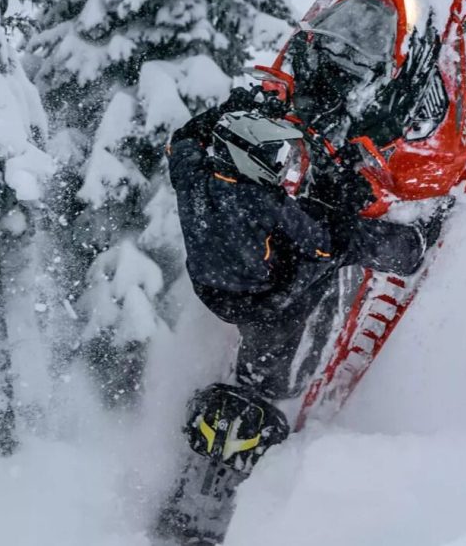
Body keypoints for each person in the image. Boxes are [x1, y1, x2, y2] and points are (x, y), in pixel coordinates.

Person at [167, 25, 444, 402]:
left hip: (210, 285)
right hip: (259, 298)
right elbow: (324, 244)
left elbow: (183, 139)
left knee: (310, 229)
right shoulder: (263, 200)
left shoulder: (195, 173)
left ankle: (261, 372)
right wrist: (345, 195)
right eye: (273, 156)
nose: (279, 164)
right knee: (338, 243)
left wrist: (228, 110)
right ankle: (412, 247)